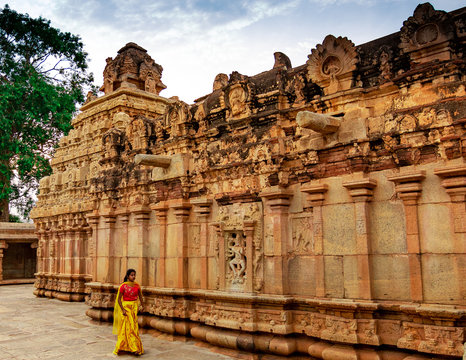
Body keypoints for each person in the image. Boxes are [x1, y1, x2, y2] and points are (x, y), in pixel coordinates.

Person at [113, 269, 144, 356]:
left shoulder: (137, 286)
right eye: (131, 275)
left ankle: (131, 347)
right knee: (127, 329)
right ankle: (133, 348)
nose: (133, 277)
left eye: (134, 275)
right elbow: (118, 299)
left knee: (134, 328)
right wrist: (123, 310)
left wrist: (142, 305)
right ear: (127, 276)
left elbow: (140, 297)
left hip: (134, 308)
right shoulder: (123, 286)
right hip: (126, 309)